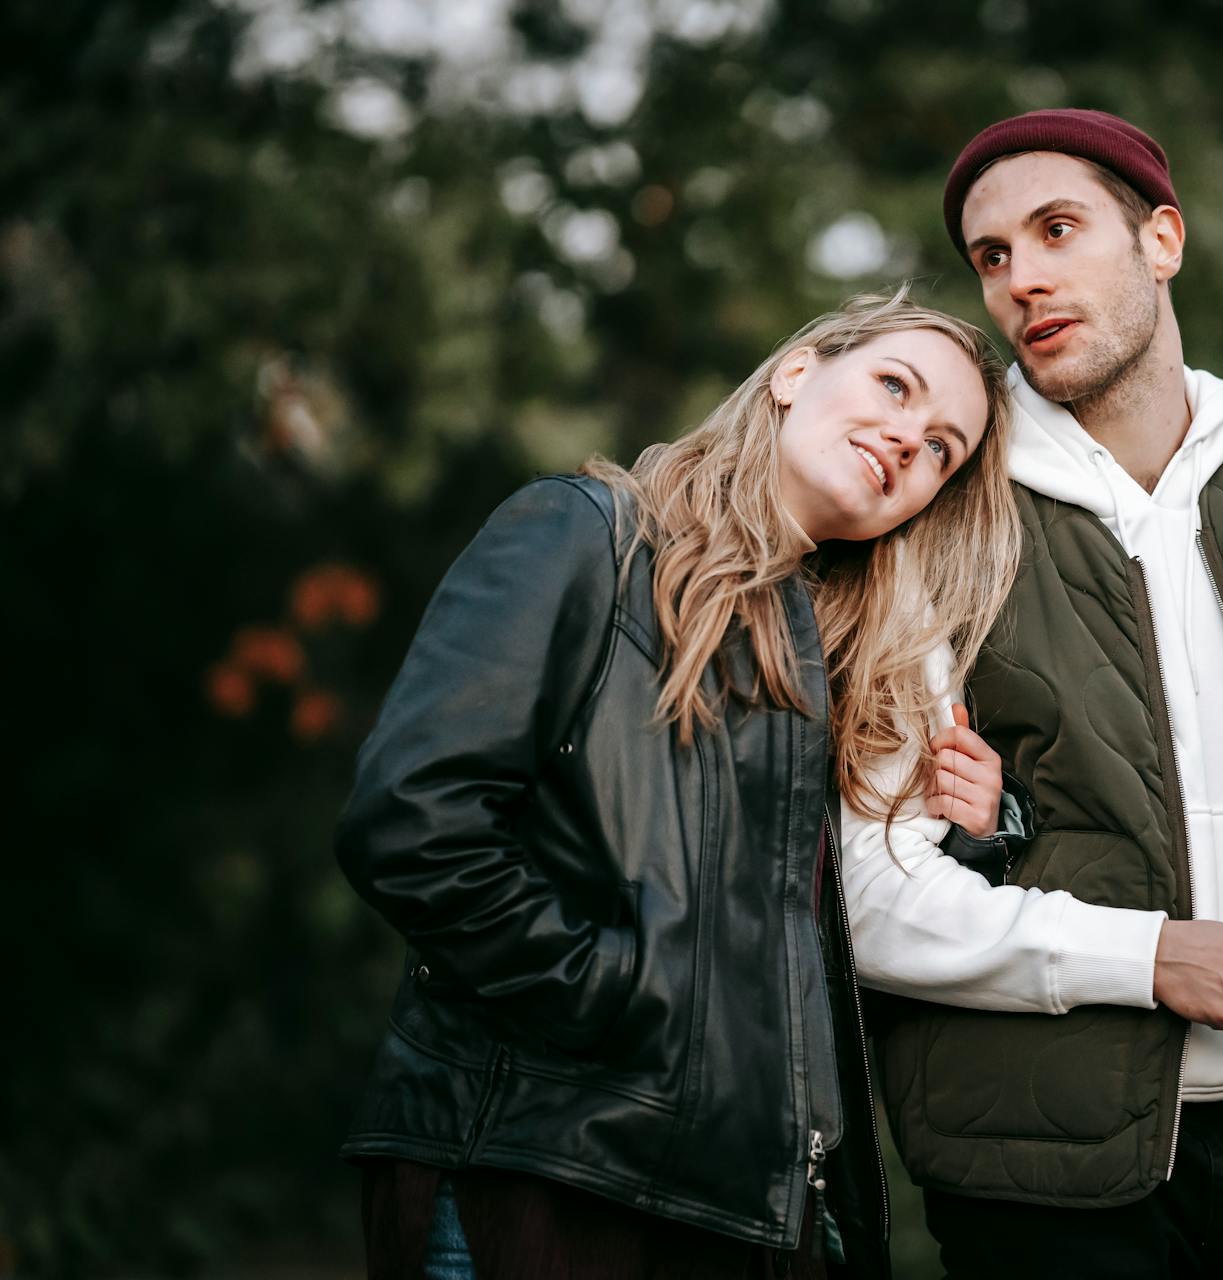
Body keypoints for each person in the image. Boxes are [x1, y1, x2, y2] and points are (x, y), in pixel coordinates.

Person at [839, 110, 1223, 1277]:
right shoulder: (939, 515)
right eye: (992, 256)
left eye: (1057, 230)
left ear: (1162, 239)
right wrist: (1154, 955)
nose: (1023, 278)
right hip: (1037, 1174)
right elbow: (877, 893)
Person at [333, 289, 1021, 1280]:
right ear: (795, 375)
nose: (910, 437)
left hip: (751, 1211)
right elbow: (412, 823)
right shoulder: (584, 537)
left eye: (943, 447)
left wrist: (965, 835)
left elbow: (800, 951)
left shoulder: (821, 660)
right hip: (544, 1173)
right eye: (893, 385)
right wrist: (619, 995)